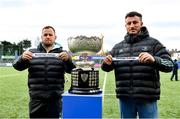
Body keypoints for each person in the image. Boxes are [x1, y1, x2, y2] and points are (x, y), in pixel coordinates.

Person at [101, 11, 173, 118]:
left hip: (147, 97)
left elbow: (169, 65)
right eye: (129, 23)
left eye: (135, 22)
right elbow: (106, 68)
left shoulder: (154, 44)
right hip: (125, 97)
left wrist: (154, 59)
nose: (132, 26)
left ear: (141, 24)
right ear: (125, 26)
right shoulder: (117, 47)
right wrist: (106, 63)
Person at [13, 26, 75, 118]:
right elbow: (17, 67)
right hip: (36, 100)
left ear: (55, 37)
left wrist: (68, 60)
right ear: (41, 37)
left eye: (50, 34)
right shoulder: (31, 52)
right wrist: (21, 58)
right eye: (45, 35)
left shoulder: (63, 53)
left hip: (55, 101)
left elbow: (72, 71)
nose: (48, 36)